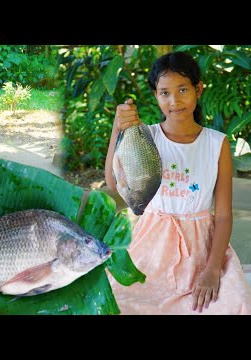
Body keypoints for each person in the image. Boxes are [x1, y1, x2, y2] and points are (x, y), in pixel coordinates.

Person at [104, 51, 251, 314]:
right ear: (156, 96)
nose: (174, 101)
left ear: (198, 89)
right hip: (151, 250)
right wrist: (118, 128)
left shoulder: (217, 144)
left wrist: (213, 268)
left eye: (183, 89)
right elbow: (115, 184)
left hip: (202, 252)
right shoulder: (145, 137)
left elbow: (225, 215)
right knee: (119, 302)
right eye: (164, 93)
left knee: (236, 304)